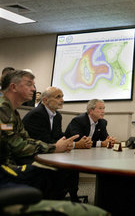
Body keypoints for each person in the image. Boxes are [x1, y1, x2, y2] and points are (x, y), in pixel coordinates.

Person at [0, 70, 78, 199]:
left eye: (33, 85)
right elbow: (17, 146)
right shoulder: (2, 108)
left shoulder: (12, 111)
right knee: (51, 174)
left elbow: (25, 139)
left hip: (12, 161)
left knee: (56, 172)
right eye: (29, 84)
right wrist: (54, 148)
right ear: (13, 87)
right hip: (5, 167)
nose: (34, 89)